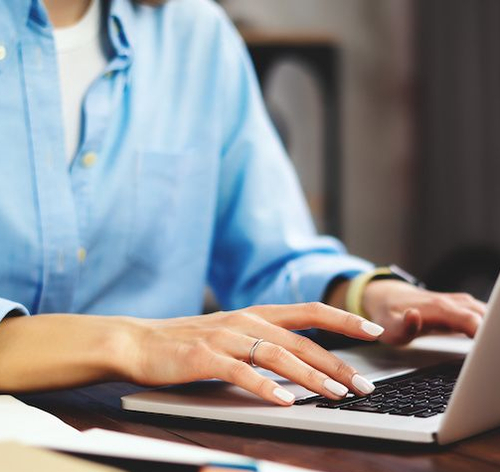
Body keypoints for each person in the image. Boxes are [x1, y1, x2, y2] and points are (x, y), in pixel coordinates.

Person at [0, 0, 486, 406]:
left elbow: (267, 256)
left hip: (153, 434)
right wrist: (130, 342)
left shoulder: (195, 35)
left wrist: (362, 297)